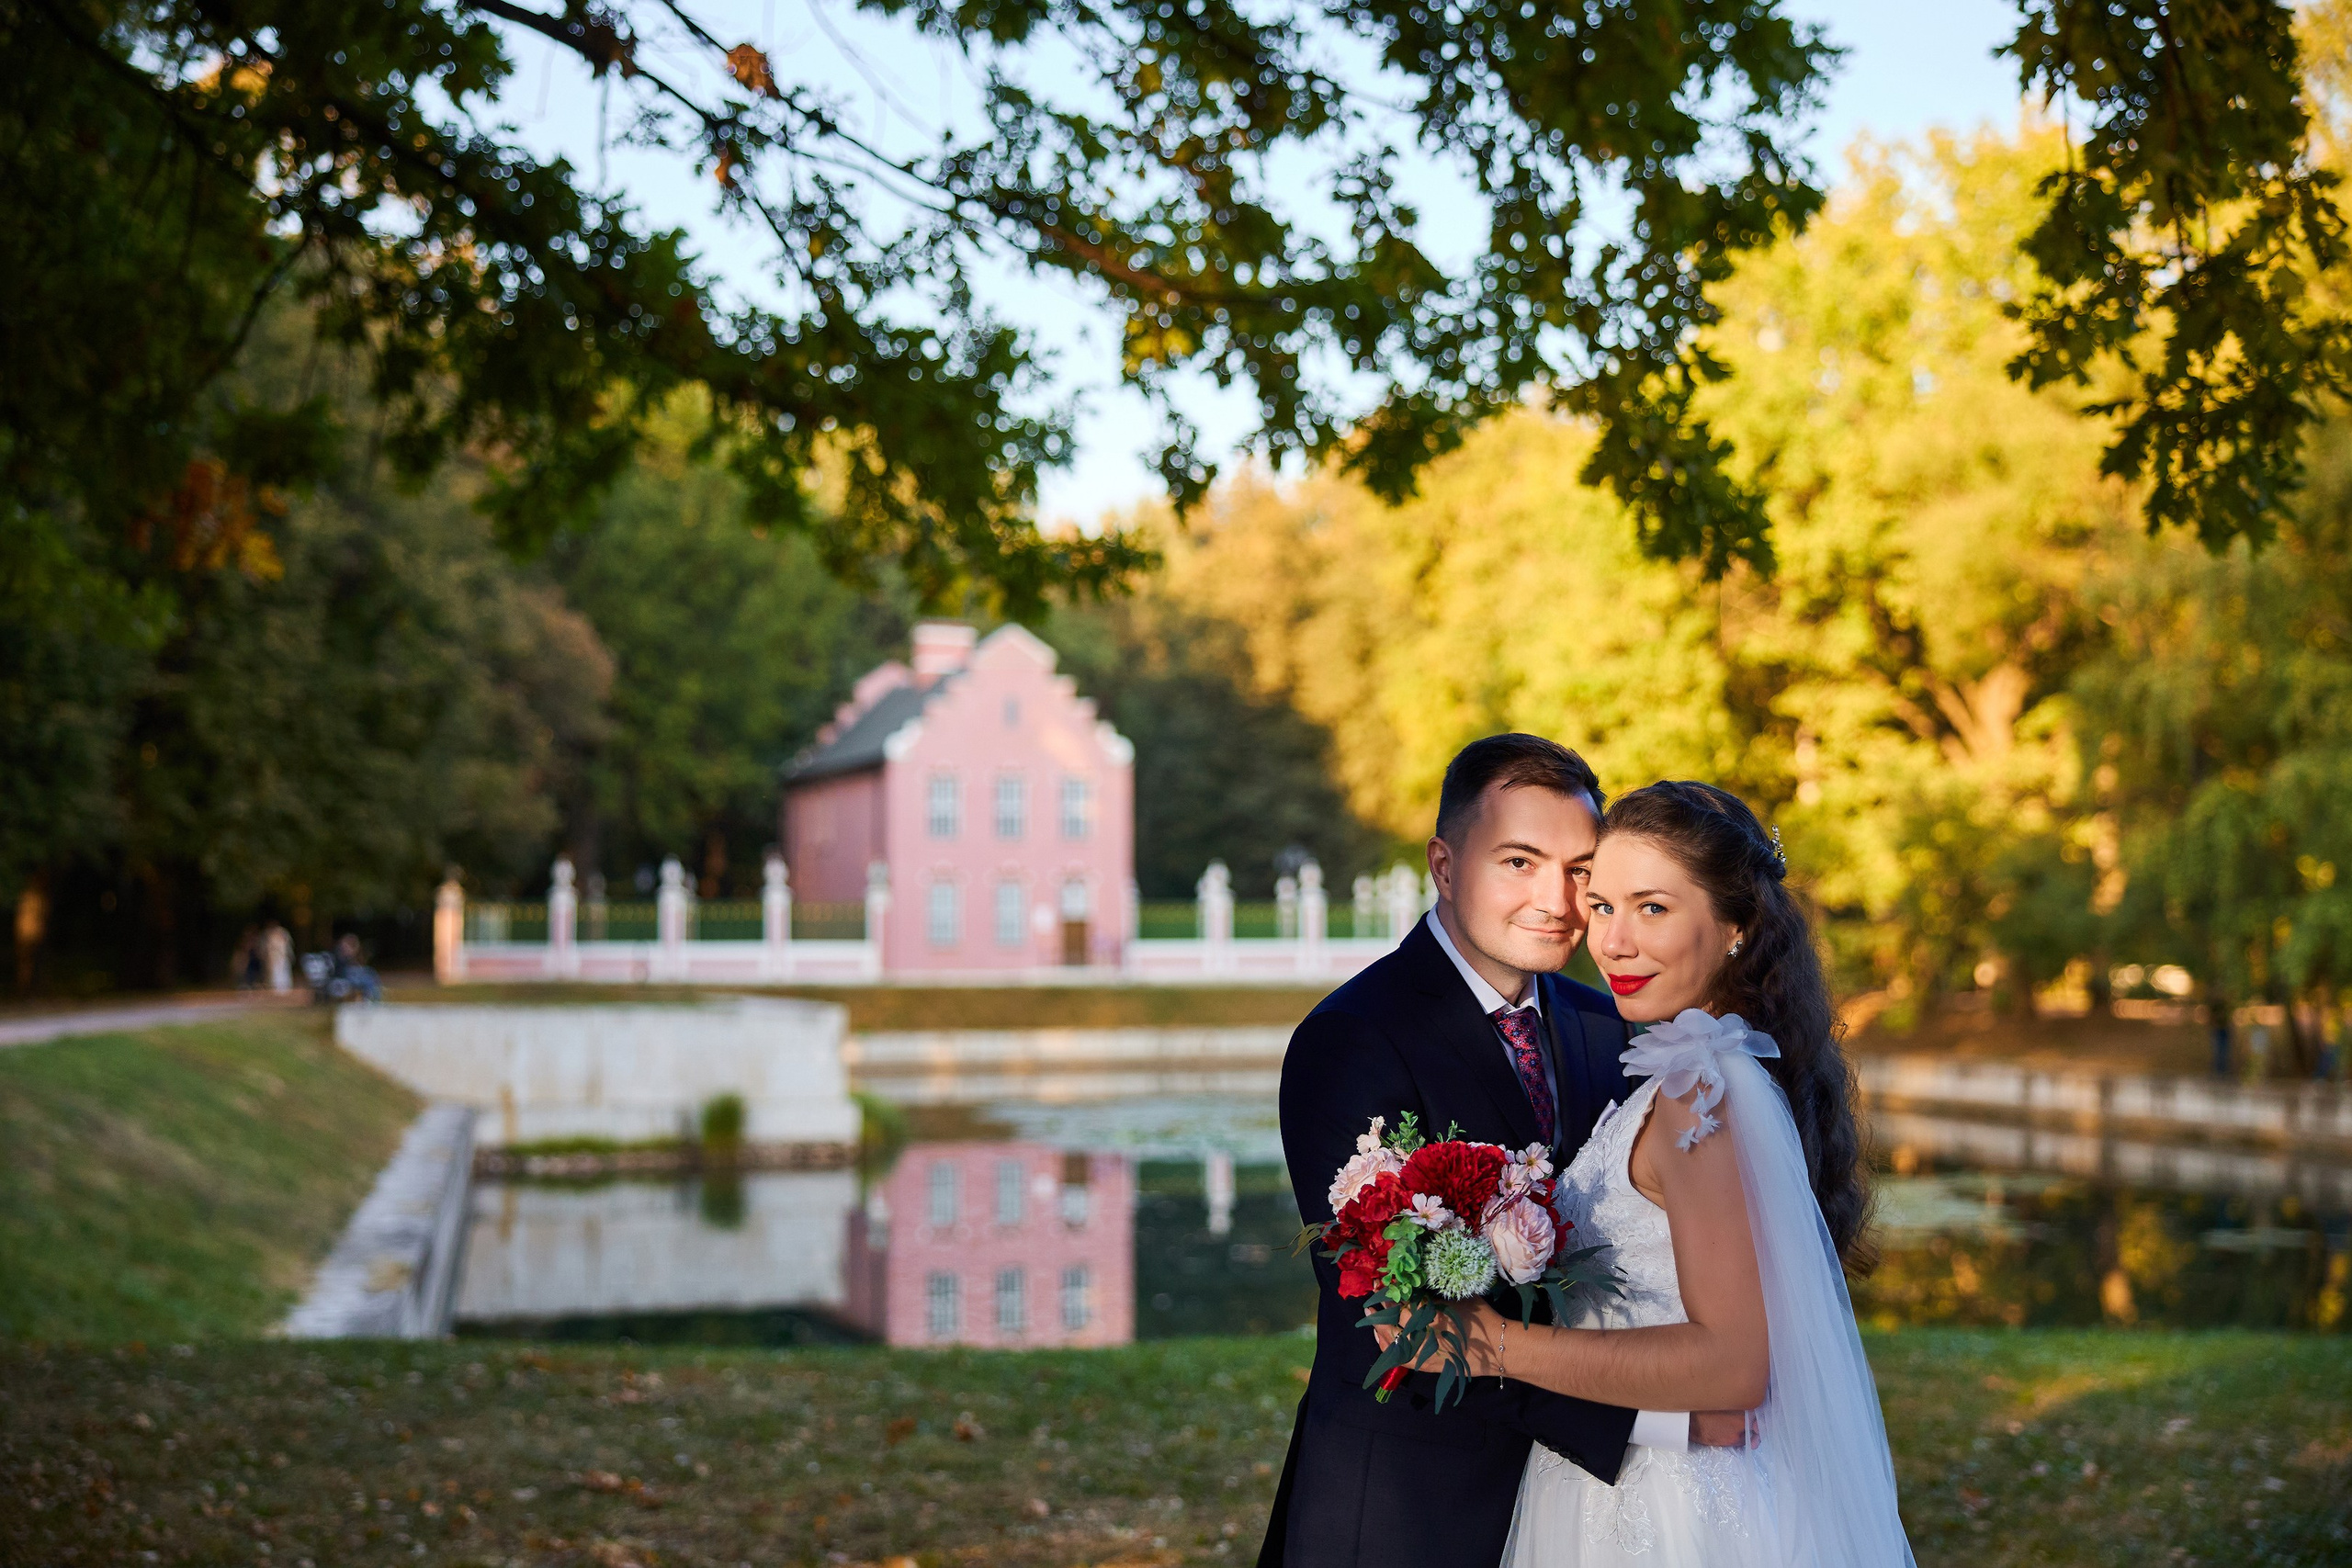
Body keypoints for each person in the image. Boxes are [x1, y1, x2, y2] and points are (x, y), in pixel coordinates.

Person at [1386, 781, 1913, 1567]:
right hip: (1632, 1477)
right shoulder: (1711, 1066)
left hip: (1668, 1505)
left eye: (1653, 908)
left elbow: (1733, 1364)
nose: (1614, 943)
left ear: (1735, 926)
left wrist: (1496, 1343)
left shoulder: (1698, 1086)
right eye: (1601, 906)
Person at [1259, 738, 1747, 1568]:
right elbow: (1393, 1322)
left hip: (1576, 1513)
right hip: (1407, 1512)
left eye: (1580, 869)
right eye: (1519, 861)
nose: (1557, 899)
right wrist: (1661, 1420)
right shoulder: (1353, 1039)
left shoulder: (1607, 1023)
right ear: (1444, 865)